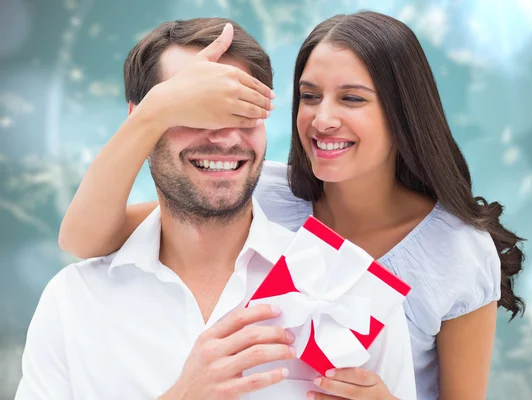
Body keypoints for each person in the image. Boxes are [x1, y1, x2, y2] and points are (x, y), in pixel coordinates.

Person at [58, 10, 525, 400]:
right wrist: (156, 110)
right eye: (309, 96)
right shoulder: (262, 194)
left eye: (352, 98)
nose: (323, 119)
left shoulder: (459, 251)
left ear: (402, 111)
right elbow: (86, 237)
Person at [17, 18, 417, 400]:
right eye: (192, 111)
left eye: (243, 111)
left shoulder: (349, 291)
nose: (225, 137)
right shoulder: (73, 302)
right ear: (139, 121)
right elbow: (80, 234)